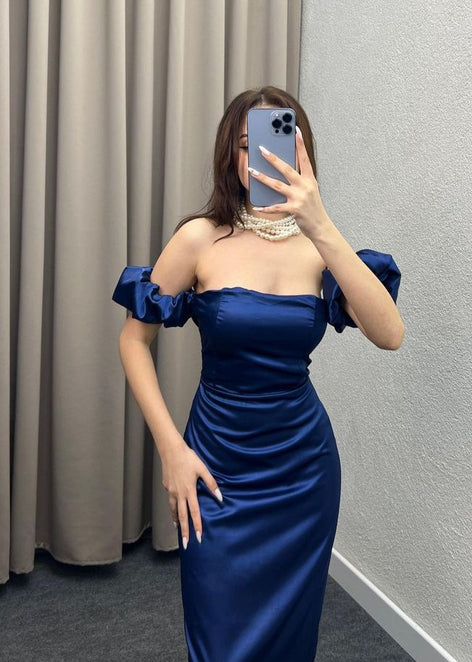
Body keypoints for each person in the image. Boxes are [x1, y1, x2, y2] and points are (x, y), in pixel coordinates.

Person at [112, 85, 404, 662]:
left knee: (290, 642)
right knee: (220, 639)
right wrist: (171, 450)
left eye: (277, 143)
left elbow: (389, 334)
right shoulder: (200, 238)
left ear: (302, 152)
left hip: (303, 473)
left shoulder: (322, 249)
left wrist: (320, 224)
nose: (261, 158)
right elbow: (132, 341)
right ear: (230, 154)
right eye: (247, 145)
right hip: (217, 464)